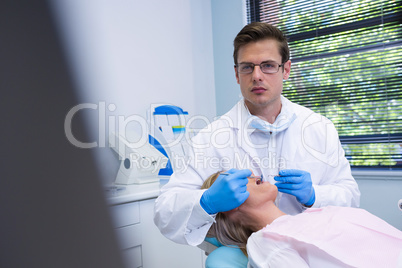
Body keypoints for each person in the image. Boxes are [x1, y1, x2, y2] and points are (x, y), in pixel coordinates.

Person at [154, 22, 360, 262]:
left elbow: (350, 198)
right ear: (236, 74)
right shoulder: (211, 137)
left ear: (286, 70)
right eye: (247, 67)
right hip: (248, 255)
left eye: (268, 66)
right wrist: (206, 201)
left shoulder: (319, 128)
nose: (257, 76)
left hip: (315, 248)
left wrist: (315, 195)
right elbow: (164, 212)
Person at [202, 171, 402, 268]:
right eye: (236, 179)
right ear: (228, 203)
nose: (252, 174)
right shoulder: (264, 242)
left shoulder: (319, 212)